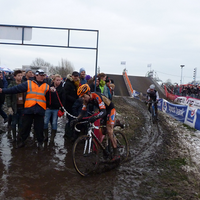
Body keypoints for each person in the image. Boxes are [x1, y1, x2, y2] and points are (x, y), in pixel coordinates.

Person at [0, 69, 55, 149]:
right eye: (40, 75)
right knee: (25, 127)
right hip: (29, 109)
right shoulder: (28, 83)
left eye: (43, 75)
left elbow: (51, 98)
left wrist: (53, 92)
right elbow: (15, 89)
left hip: (40, 110)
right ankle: (21, 141)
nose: (42, 77)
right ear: (36, 75)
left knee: (39, 128)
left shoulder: (46, 86)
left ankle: (40, 142)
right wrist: (3, 91)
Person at [71, 84, 120, 161]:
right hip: (103, 111)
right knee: (103, 131)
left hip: (110, 110)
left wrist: (95, 117)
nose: (83, 99)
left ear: (89, 93)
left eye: (84, 96)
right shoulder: (86, 100)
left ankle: (116, 154)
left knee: (109, 130)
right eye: (81, 97)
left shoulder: (97, 96)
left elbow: (103, 112)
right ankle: (108, 145)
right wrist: (76, 120)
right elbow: (82, 112)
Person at [5, 70, 25, 142]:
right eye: (18, 76)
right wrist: (9, 106)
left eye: (21, 75)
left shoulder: (24, 84)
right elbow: (8, 96)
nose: (20, 77)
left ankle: (19, 136)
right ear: (15, 77)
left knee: (21, 123)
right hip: (15, 107)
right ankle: (14, 137)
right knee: (14, 123)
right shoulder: (11, 85)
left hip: (23, 106)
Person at [43, 74, 64, 143]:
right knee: (45, 122)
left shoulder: (61, 89)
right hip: (48, 108)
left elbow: (63, 99)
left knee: (54, 123)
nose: (58, 82)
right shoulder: (49, 87)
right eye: (57, 80)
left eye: (59, 80)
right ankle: (46, 136)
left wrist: (62, 108)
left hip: (56, 108)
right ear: (54, 80)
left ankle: (52, 138)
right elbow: (45, 97)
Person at [63, 71, 79, 138]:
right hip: (69, 105)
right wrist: (75, 100)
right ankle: (68, 134)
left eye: (77, 76)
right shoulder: (68, 83)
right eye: (74, 76)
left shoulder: (76, 84)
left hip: (74, 105)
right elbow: (66, 95)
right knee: (70, 120)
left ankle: (70, 133)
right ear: (72, 76)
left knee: (72, 120)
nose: (76, 77)